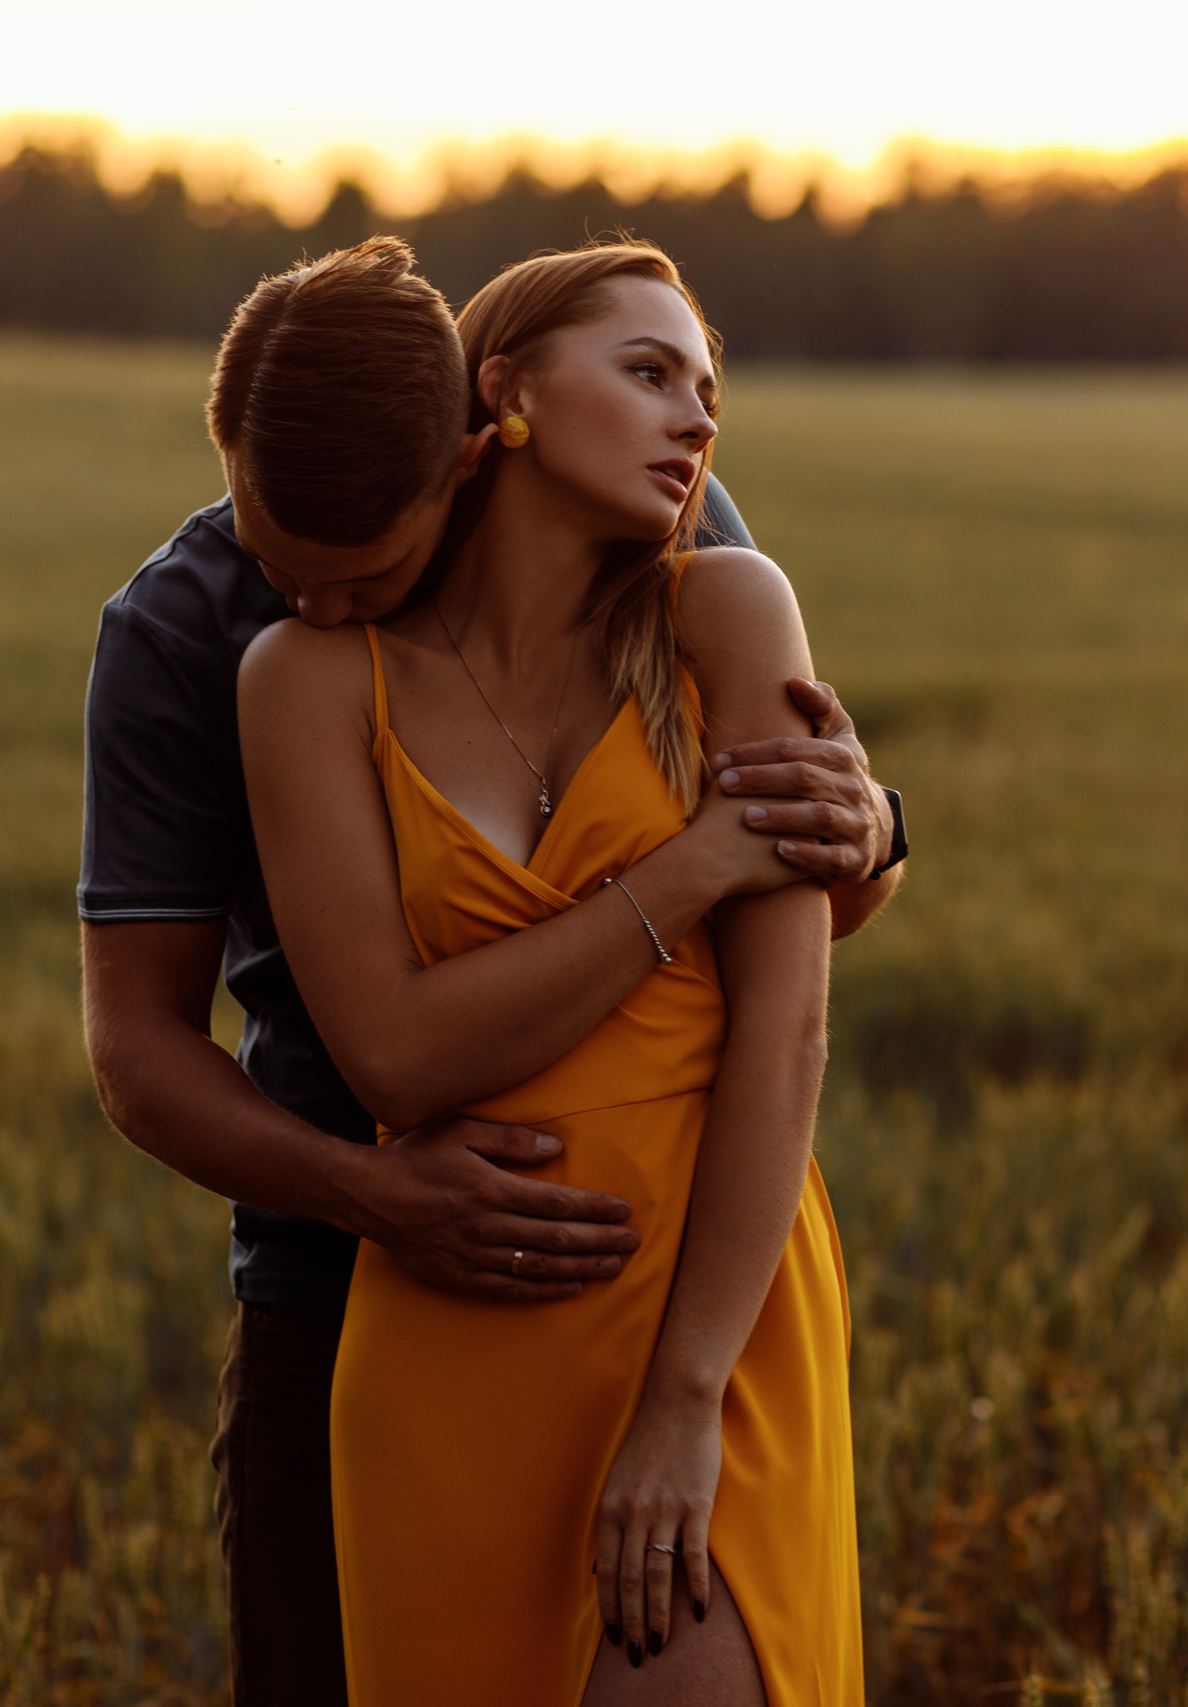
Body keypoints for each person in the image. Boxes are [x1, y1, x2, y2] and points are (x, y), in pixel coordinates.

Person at [77, 237, 904, 1704]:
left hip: (698, 1262)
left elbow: (791, 935)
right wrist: (373, 1193)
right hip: (350, 1255)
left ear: (474, 442)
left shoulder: (666, 523)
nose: (310, 602)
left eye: (357, 577)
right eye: (276, 567)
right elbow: (140, 1049)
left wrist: (868, 826)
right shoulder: (200, 628)